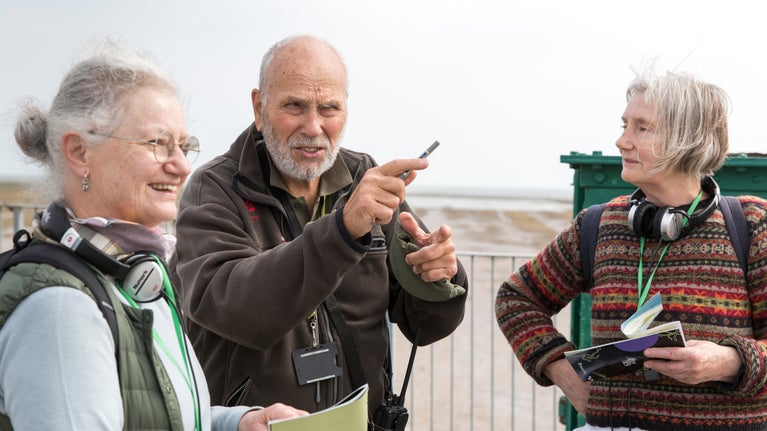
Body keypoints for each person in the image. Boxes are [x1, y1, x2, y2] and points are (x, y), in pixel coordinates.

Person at [0, 42, 307, 430]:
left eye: (183, 146)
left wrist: (239, 422)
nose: (181, 166)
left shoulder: (134, 273)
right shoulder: (60, 309)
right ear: (79, 152)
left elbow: (163, 416)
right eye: (158, 143)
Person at [170, 34, 468, 417]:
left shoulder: (364, 177)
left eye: (329, 108)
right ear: (259, 108)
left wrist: (437, 277)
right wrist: (342, 232)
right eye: (295, 106)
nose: (313, 127)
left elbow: (422, 325)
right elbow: (233, 309)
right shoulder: (214, 189)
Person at [495, 68, 767, 431]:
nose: (622, 141)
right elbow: (516, 298)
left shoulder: (753, 224)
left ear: (688, 139)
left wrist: (730, 361)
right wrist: (562, 371)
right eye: (624, 126)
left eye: (642, 128)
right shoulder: (599, 224)